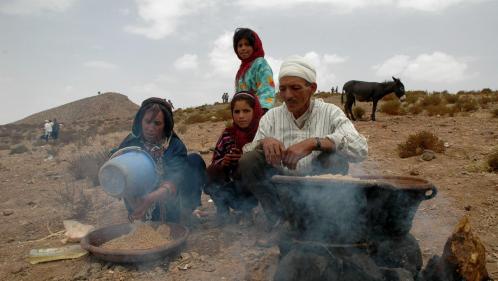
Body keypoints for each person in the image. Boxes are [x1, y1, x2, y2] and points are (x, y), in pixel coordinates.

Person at [239, 56, 368, 245]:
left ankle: (318, 220)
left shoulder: (330, 112)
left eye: (295, 88)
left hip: (318, 188)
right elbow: (248, 151)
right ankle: (281, 220)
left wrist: (315, 142)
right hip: (282, 187)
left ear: (312, 88)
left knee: (335, 159)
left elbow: (360, 148)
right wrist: (264, 142)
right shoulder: (272, 117)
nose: (288, 95)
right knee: (249, 160)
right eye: (282, 89)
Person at [111, 97, 206, 223]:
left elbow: (175, 179)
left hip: (167, 200)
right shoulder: (131, 142)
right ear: (140, 121)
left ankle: (186, 212)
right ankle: (140, 216)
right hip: (138, 202)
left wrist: (151, 198)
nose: (151, 128)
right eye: (147, 121)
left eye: (157, 123)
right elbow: (117, 170)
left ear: (165, 125)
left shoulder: (174, 146)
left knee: (194, 160)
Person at [205, 91, 263, 225]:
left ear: (255, 111)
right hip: (231, 187)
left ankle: (250, 211)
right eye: (236, 112)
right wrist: (223, 162)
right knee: (209, 173)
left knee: (247, 164)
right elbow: (214, 162)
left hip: (253, 189)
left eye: (246, 111)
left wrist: (244, 160)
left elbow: (269, 164)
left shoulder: (262, 133)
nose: (241, 116)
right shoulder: (227, 135)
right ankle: (222, 211)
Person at [233, 28, 276, 111]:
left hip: (259, 112)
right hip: (245, 114)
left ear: (255, 46)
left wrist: (262, 110)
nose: (243, 48)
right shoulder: (242, 70)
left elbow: (266, 88)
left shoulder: (260, 64)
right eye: (240, 45)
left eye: (247, 44)